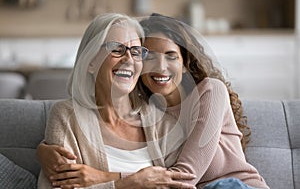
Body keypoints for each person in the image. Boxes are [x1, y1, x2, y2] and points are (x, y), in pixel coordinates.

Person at [37, 13, 269, 189]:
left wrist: (108, 178)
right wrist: (42, 149)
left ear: (185, 62)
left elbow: (180, 179)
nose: (160, 67)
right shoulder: (156, 111)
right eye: (117, 49)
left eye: (171, 56)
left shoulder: (208, 92)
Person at [37, 13, 196, 189]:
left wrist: (109, 179)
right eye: (116, 49)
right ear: (90, 61)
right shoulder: (67, 116)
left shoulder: (164, 125)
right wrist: (128, 183)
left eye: (136, 52)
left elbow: (178, 184)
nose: (128, 59)